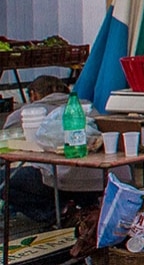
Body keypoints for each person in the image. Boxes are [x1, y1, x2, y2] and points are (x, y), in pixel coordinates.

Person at [1, 77, 123, 224]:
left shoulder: (24, 113)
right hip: (99, 181)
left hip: (58, 180)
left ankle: (57, 212)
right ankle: (78, 206)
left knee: (7, 178)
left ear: (33, 95)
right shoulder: (88, 107)